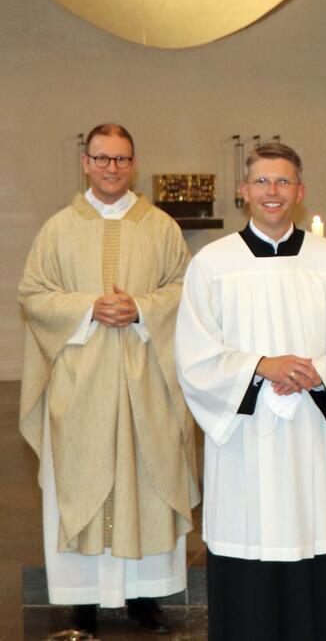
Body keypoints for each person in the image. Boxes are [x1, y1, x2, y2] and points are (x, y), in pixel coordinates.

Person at [175, 142, 326, 641]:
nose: (273, 191)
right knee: (249, 564)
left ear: (301, 192)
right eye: (262, 181)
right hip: (247, 438)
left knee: (314, 551)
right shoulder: (213, 263)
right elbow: (194, 354)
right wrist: (261, 366)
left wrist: (318, 370)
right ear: (244, 192)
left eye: (283, 182)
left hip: (311, 433)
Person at [18, 123, 198, 636]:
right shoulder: (58, 228)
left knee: (147, 480)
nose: (111, 168)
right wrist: (88, 306)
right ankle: (83, 602)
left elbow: (187, 290)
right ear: (86, 162)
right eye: (102, 158)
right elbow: (33, 293)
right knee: (84, 481)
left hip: (147, 382)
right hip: (82, 381)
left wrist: (141, 307)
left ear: (133, 164)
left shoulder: (160, 227)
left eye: (120, 160)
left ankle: (145, 597)